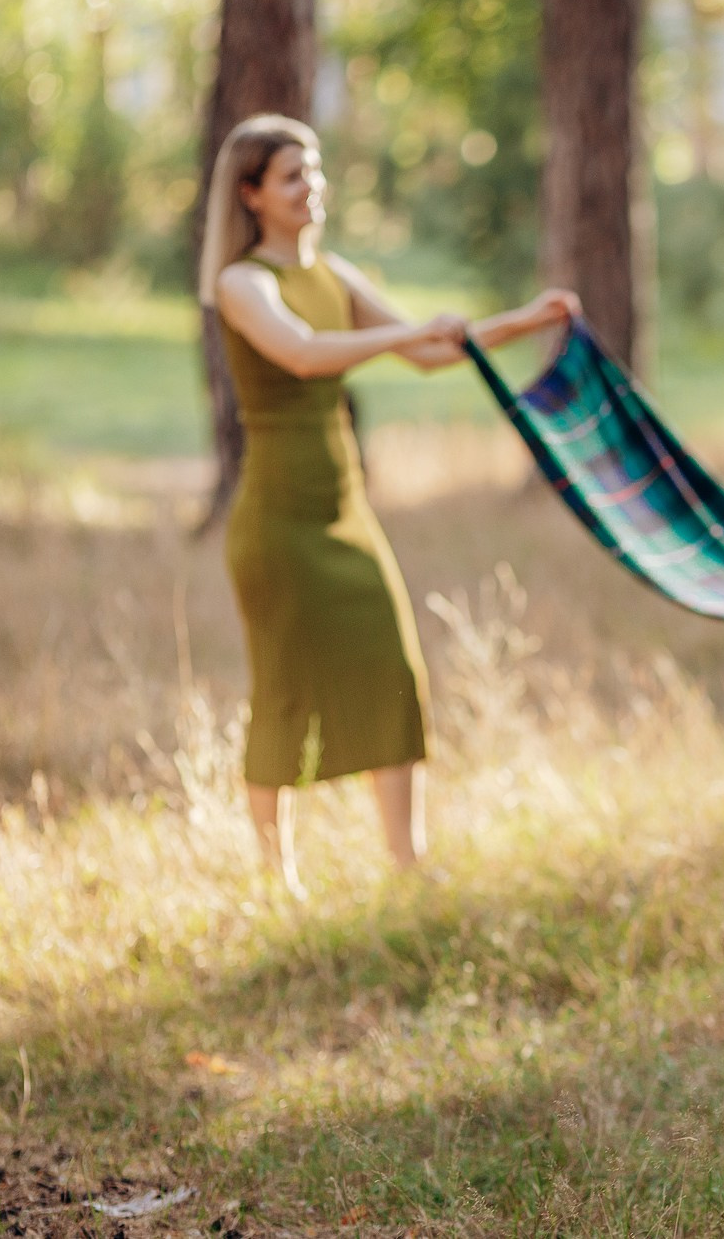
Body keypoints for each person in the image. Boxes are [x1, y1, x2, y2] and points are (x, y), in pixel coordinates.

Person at [196, 113, 578, 891]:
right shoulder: (243, 283)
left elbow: (432, 348)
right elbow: (303, 354)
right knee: (285, 687)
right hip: (277, 520)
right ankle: (278, 879)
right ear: (251, 194)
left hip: (344, 508)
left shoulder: (333, 273)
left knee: (394, 667)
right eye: (292, 176)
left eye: (315, 171)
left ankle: (408, 862)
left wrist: (524, 323)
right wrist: (398, 337)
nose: (312, 188)